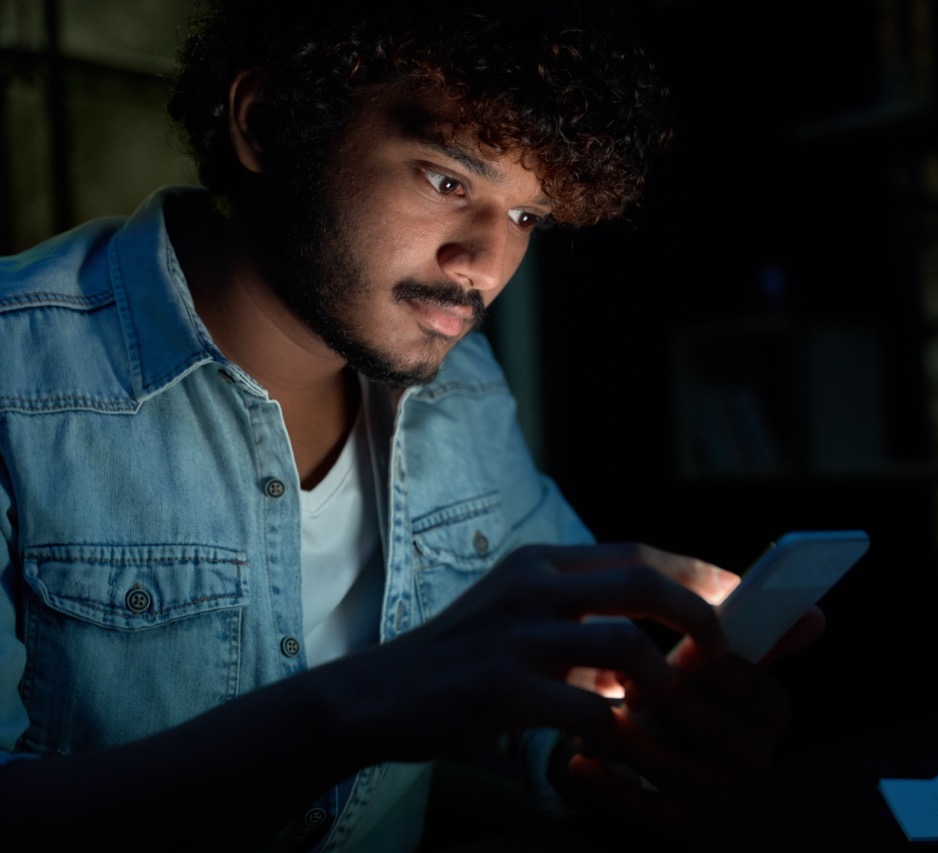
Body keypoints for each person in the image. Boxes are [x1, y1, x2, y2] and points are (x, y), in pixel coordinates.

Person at [0, 1, 822, 850]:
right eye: (447, 182)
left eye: (527, 217)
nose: (488, 266)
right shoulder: (14, 373)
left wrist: (621, 744)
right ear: (266, 123)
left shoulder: (459, 383)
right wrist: (358, 707)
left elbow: (540, 686)